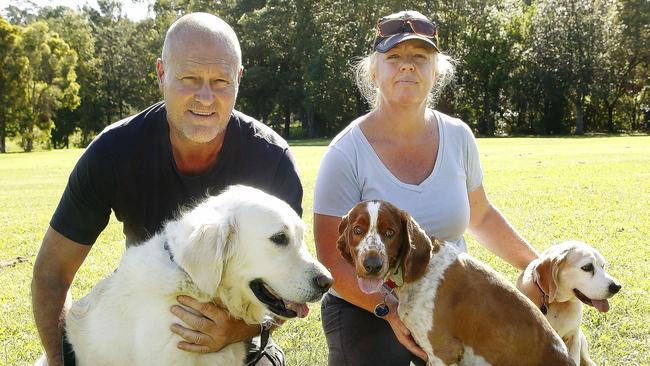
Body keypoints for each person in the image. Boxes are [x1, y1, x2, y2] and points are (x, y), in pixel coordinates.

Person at [31, 13, 299, 366]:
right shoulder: (113, 151)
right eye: (190, 78)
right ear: (161, 74)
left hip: (237, 332)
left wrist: (232, 330)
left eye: (220, 81)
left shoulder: (271, 159)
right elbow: (52, 271)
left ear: (238, 79)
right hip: (145, 317)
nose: (206, 97)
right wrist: (57, 359)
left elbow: (289, 284)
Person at [313, 10, 539, 366]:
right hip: (367, 301)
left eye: (420, 57)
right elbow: (331, 260)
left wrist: (537, 267)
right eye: (394, 58)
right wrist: (389, 310)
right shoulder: (345, 153)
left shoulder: (458, 136)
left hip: (450, 294)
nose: (407, 66)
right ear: (374, 72)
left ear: (437, 72)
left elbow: (480, 216)